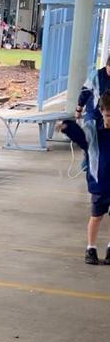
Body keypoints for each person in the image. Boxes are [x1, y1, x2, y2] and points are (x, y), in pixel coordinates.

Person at [59, 90, 110, 265]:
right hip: (100, 182)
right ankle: (91, 248)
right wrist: (68, 127)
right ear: (102, 111)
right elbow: (81, 139)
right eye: (108, 115)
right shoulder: (93, 129)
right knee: (96, 216)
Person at [75, 53, 110, 119]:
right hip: (93, 113)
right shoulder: (95, 75)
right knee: (88, 128)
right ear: (106, 65)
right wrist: (78, 109)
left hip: (107, 116)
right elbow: (85, 92)